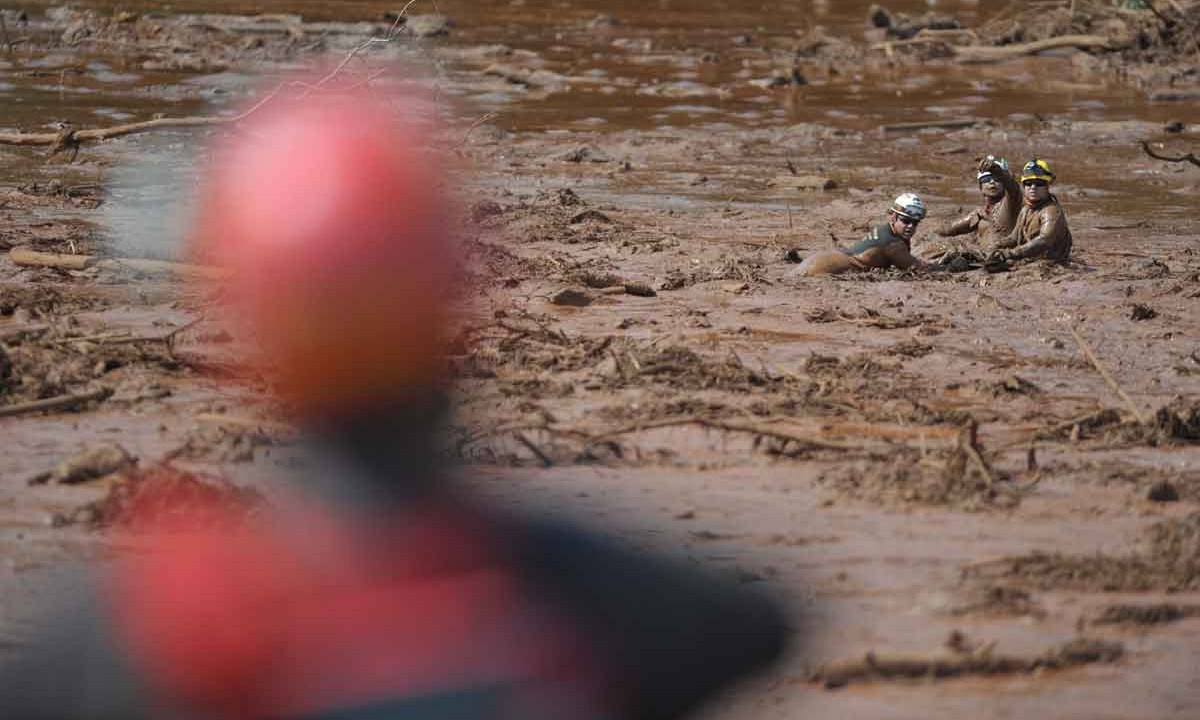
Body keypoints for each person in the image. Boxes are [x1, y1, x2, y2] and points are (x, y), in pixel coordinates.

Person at [0, 83, 787, 720]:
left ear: (245, 348)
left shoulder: (145, 634)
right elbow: (762, 626)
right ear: (458, 310)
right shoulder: (577, 599)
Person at [795, 192, 933, 276]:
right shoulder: (893, 244)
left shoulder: (885, 231)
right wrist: (949, 267)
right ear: (893, 217)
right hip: (825, 266)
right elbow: (919, 268)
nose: (910, 226)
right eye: (906, 220)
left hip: (824, 259)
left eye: (915, 223)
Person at [917, 155, 1021, 264]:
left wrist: (997, 171)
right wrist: (928, 236)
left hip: (1000, 258)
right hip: (982, 257)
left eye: (997, 179)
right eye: (986, 179)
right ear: (980, 187)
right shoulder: (980, 213)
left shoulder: (1010, 206)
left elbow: (1013, 188)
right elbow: (947, 230)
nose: (992, 182)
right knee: (938, 247)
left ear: (1004, 184)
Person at [988, 158, 1073, 265]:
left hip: (1051, 264)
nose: (1033, 187)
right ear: (1024, 186)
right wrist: (996, 245)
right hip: (1029, 259)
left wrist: (1009, 254)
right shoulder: (1025, 210)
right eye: (1028, 183)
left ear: (1047, 185)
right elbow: (1014, 238)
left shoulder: (1051, 211)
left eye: (1039, 183)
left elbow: (1044, 240)